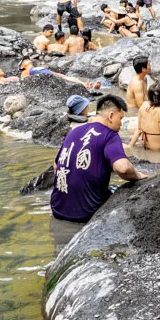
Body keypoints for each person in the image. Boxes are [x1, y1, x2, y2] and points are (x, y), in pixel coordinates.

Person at [49, 94, 145, 243]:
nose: (120, 125)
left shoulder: (74, 132)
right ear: (111, 116)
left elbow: (56, 166)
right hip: (86, 215)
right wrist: (138, 175)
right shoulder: (109, 135)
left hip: (57, 209)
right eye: (121, 119)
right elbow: (123, 169)